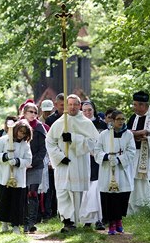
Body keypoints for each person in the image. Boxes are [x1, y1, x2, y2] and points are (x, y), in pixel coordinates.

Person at [46, 94, 99, 232]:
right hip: (63, 164)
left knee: (77, 193)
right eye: (70, 104)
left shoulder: (86, 123)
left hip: (78, 163)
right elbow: (50, 141)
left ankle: (80, 219)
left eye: (75, 104)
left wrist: (73, 139)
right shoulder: (60, 122)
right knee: (63, 192)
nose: (72, 107)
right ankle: (67, 221)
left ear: (79, 105)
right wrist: (59, 157)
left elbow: (94, 143)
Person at [95, 109, 136, 235]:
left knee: (121, 197)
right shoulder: (104, 135)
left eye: (123, 119)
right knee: (109, 198)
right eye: (118, 119)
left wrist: (119, 159)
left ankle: (119, 220)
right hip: (108, 170)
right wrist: (107, 157)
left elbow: (131, 151)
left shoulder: (128, 134)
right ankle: (111, 223)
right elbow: (97, 150)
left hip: (122, 170)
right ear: (112, 120)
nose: (121, 121)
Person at [0, 119, 33, 234]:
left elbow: (29, 160)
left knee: (17, 202)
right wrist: (5, 157)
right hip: (3, 176)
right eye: (20, 132)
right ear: (15, 130)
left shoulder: (25, 145)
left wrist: (18, 161)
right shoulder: (3, 140)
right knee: (3, 199)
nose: (22, 135)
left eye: (24, 133)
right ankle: (4, 223)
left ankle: (16, 225)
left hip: (18, 178)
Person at [20, 101, 47, 233]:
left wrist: (33, 162)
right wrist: (23, 162)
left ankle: (31, 222)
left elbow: (43, 149)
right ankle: (23, 221)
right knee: (23, 193)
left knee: (33, 192)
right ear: (24, 113)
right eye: (30, 112)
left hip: (36, 166)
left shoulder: (39, 128)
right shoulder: (18, 127)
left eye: (35, 112)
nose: (33, 114)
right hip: (21, 165)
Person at [79, 101, 107, 230]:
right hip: (83, 160)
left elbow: (105, 141)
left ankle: (99, 219)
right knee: (86, 191)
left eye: (89, 110)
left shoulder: (102, 124)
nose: (87, 112)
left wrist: (96, 152)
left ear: (94, 110)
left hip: (98, 161)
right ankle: (87, 219)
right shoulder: (78, 124)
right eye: (84, 110)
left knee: (96, 190)